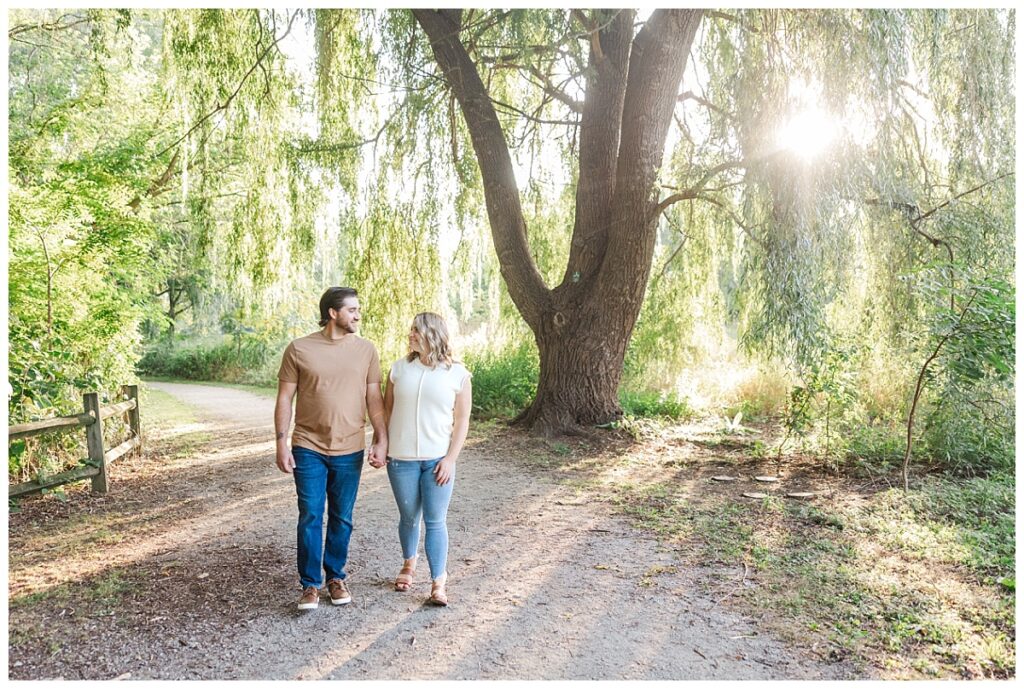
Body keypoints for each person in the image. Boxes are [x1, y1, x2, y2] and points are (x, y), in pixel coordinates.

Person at [275, 286, 388, 610]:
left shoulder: (366, 350)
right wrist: (281, 442)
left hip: (350, 447)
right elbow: (285, 398)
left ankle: (335, 577)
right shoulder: (299, 349)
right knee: (310, 514)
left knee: (342, 516)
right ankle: (310, 585)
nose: (358, 315)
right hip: (307, 445)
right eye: (352, 309)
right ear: (333, 313)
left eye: (358, 309)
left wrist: (381, 438)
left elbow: (374, 399)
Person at [383, 312, 472, 606]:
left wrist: (450, 459)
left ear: (432, 334)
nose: (410, 335)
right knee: (409, 517)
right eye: (411, 331)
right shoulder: (399, 370)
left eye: (416, 331)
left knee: (435, 521)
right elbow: (386, 412)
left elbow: (462, 422)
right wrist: (379, 443)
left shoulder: (457, 374)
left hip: (437, 461)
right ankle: (409, 563)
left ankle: (438, 582)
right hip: (401, 459)